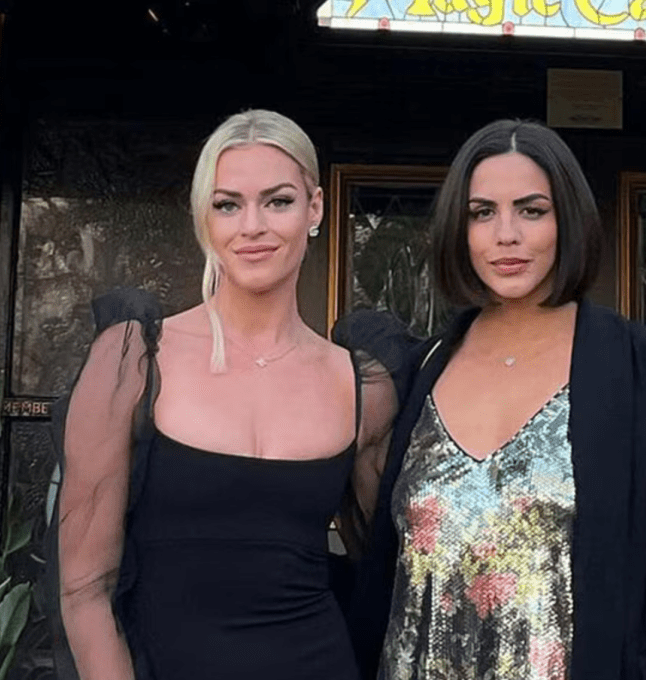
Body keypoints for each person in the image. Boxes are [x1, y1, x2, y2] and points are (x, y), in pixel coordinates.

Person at [336, 119, 646, 680]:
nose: (506, 234)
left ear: (568, 220)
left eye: (532, 210)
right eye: (482, 213)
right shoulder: (417, 372)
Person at [48, 109, 397, 679]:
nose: (252, 226)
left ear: (314, 209)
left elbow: (387, 577)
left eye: (278, 201)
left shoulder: (360, 385)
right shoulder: (135, 362)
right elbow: (85, 592)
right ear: (204, 219)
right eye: (228, 205)